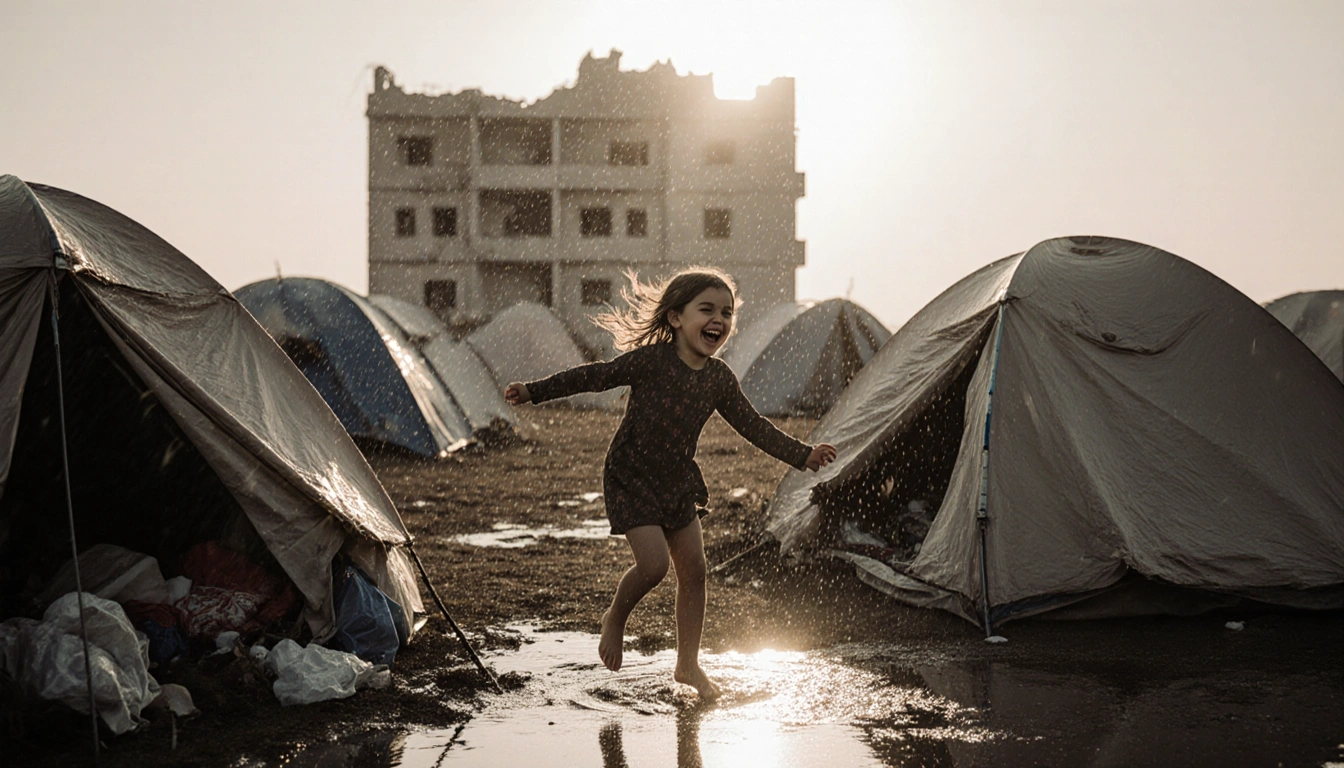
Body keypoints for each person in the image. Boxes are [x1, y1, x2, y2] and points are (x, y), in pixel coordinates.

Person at [504, 268, 837, 700]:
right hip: (632, 476)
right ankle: (615, 618)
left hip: (677, 480)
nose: (719, 319)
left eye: (727, 312)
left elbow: (753, 426)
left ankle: (687, 664)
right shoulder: (651, 361)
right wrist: (534, 391)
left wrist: (802, 454)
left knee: (694, 572)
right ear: (677, 318)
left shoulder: (719, 379)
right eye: (707, 309)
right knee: (654, 566)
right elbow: (595, 376)